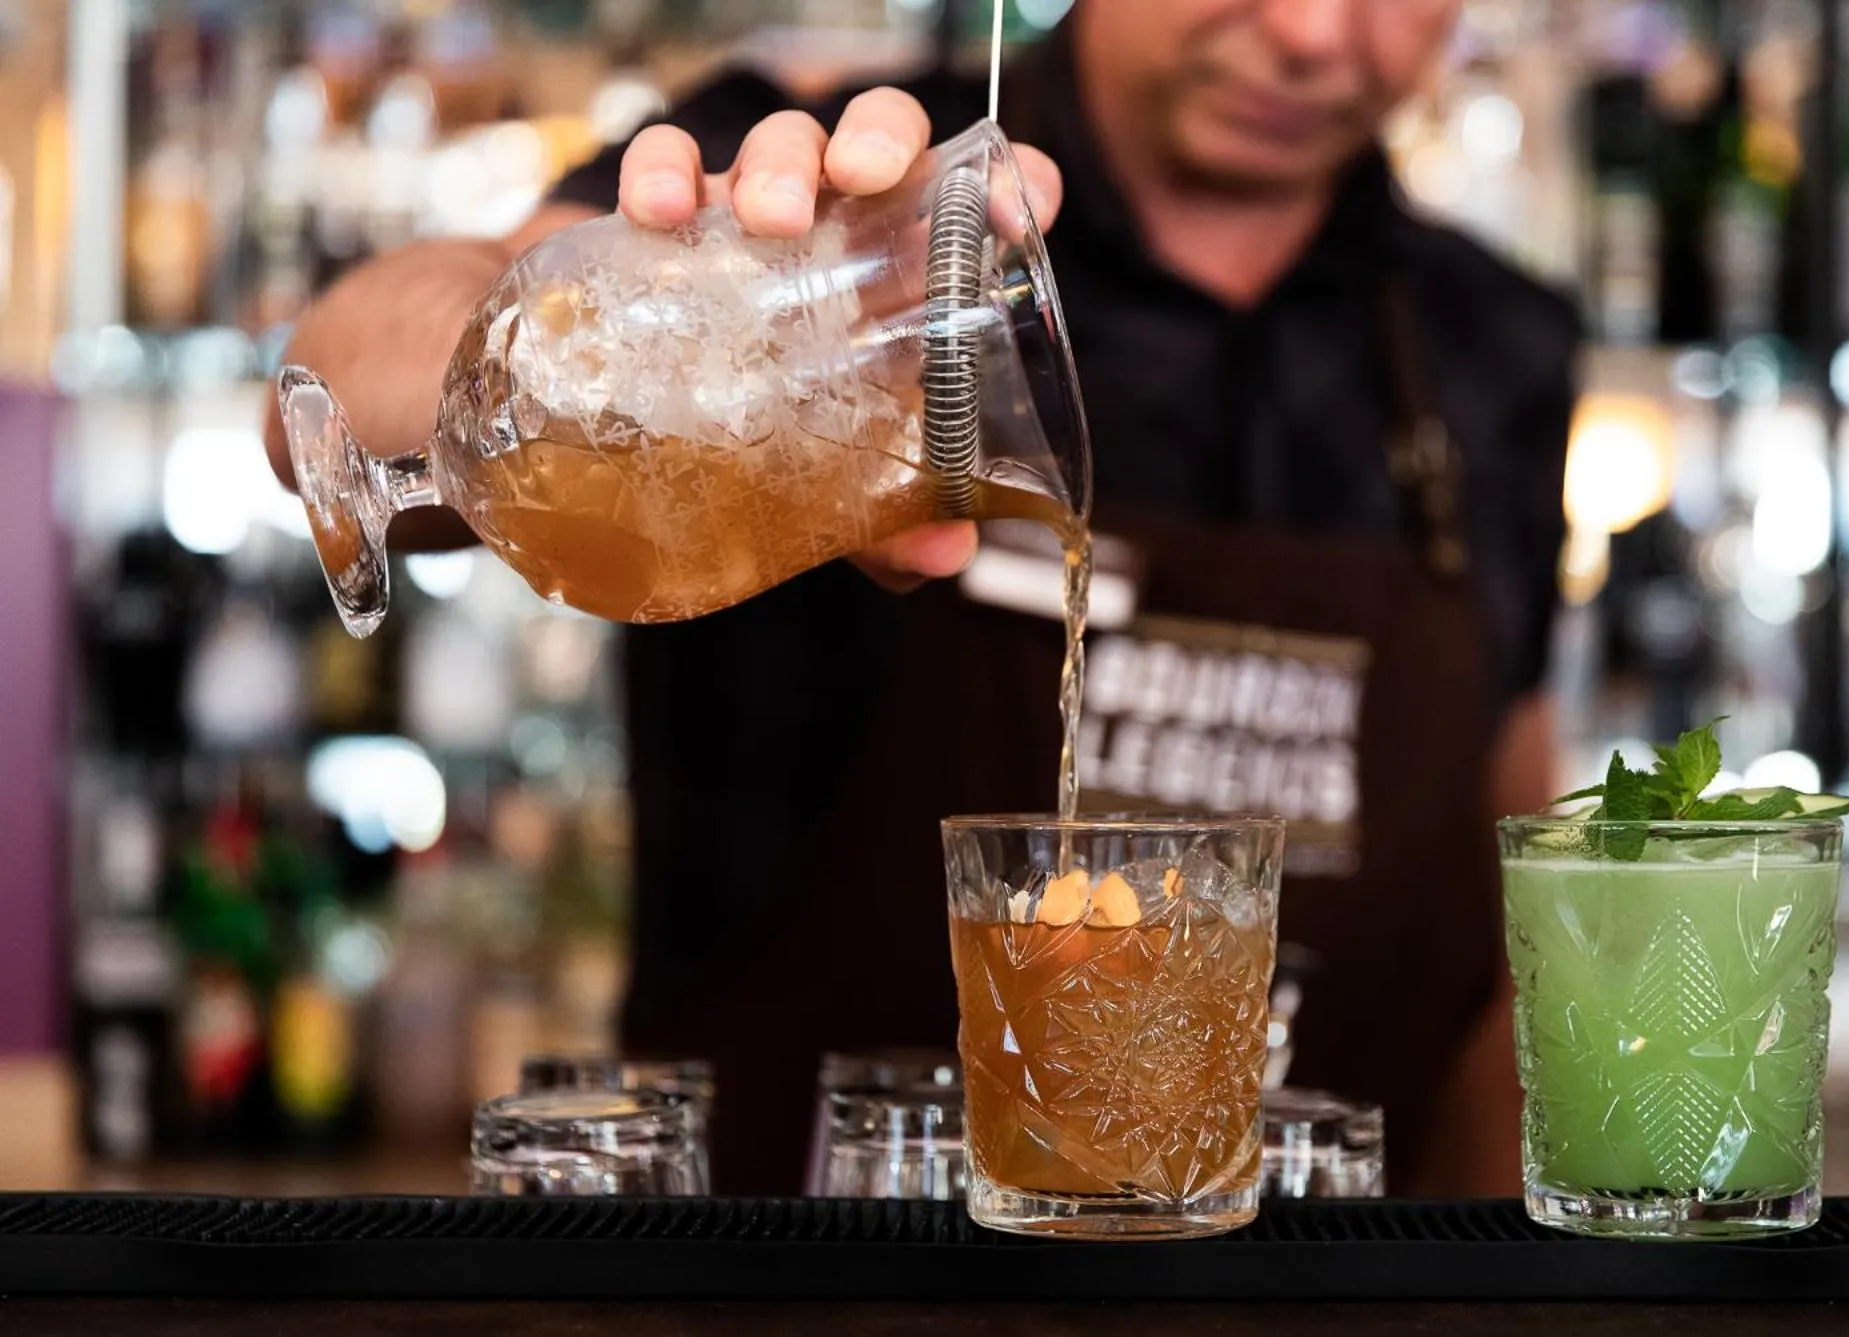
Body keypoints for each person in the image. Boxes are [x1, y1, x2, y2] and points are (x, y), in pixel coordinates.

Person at [267, 0, 1575, 1196]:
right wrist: (636, 325)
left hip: (1319, 1281)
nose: (1308, 32)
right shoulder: (849, 180)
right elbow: (334, 378)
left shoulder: (1496, 337)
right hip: (793, 1272)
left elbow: (1508, 876)